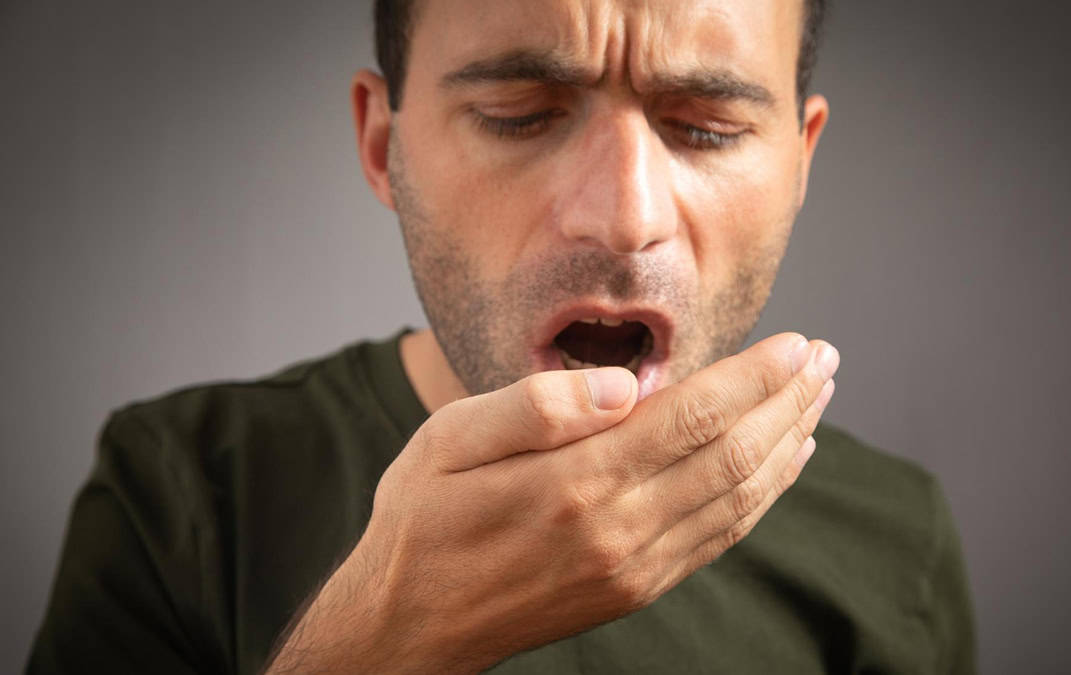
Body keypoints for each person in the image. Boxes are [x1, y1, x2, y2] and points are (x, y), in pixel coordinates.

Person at [28, 0, 976, 672]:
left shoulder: (897, 541)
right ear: (381, 147)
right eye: (520, 116)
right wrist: (382, 644)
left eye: (707, 129)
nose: (624, 216)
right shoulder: (178, 494)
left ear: (800, 163)